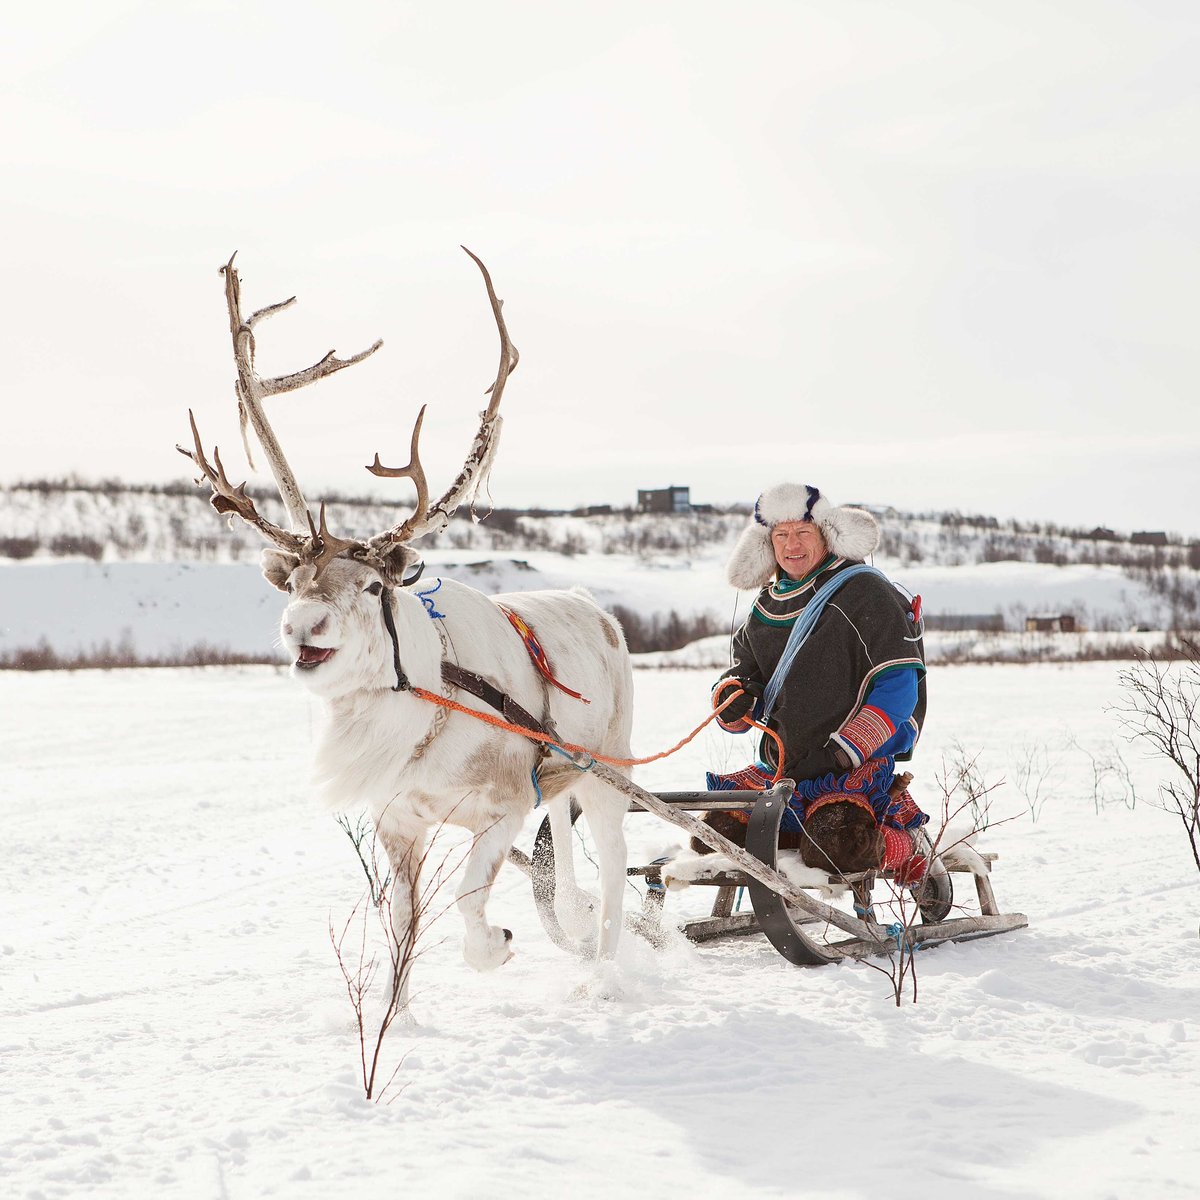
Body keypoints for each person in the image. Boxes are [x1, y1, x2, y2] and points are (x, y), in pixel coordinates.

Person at [704, 482, 934, 882]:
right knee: (714, 836)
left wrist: (839, 754)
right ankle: (798, 836)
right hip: (784, 765)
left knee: (837, 847)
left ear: (826, 535)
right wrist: (735, 701)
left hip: (850, 763)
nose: (791, 545)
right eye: (780, 535)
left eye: (802, 533)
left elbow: (899, 687)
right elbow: (743, 676)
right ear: (767, 543)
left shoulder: (865, 591)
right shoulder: (766, 605)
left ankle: (909, 844)